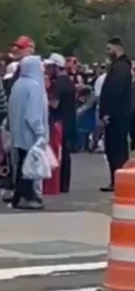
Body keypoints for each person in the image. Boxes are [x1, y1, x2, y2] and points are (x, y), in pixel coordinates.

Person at [8, 56, 47, 210]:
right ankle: (27, 197)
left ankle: (19, 197)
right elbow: (33, 114)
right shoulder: (34, 86)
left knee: (21, 166)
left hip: (18, 133)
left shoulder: (18, 85)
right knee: (30, 168)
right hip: (30, 134)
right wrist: (40, 132)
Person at [99, 38, 132, 192]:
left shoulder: (121, 68)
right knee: (113, 148)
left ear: (118, 48)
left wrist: (108, 113)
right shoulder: (118, 67)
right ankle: (116, 178)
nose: (107, 52)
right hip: (117, 115)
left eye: (109, 48)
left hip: (117, 116)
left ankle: (120, 179)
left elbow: (115, 91)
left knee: (116, 149)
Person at [46, 54, 76, 193]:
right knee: (66, 153)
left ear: (56, 67)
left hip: (59, 122)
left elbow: (54, 104)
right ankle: (65, 184)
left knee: (59, 152)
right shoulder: (69, 81)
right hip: (69, 120)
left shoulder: (58, 84)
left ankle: (59, 183)